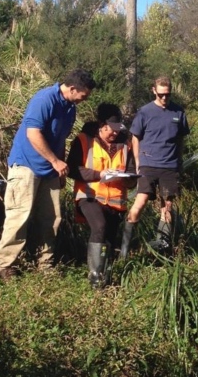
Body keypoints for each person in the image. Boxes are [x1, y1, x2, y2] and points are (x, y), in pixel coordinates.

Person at [0, 69, 96, 280]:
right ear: (72, 88)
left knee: (51, 218)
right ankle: (6, 265)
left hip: (50, 170)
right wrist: (55, 161)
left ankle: (45, 263)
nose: (84, 100)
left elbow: (60, 140)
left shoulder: (70, 108)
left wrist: (59, 168)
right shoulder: (44, 99)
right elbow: (33, 133)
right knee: (19, 216)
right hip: (26, 166)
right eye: (83, 96)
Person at [66, 103, 137, 288]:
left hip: (115, 202)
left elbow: (131, 176)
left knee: (109, 239)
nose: (114, 133)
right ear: (100, 124)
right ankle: (94, 278)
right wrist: (100, 175)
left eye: (117, 129)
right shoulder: (83, 140)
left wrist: (127, 178)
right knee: (99, 226)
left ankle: (106, 278)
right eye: (110, 129)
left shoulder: (125, 144)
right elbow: (72, 169)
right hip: (89, 195)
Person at [121, 76, 190, 253]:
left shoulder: (178, 112)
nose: (164, 98)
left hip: (170, 166)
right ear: (154, 91)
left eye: (167, 95)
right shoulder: (145, 112)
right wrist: (138, 162)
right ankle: (125, 250)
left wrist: (179, 161)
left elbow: (181, 139)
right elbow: (135, 138)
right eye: (161, 95)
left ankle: (162, 248)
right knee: (140, 202)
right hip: (148, 164)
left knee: (167, 207)